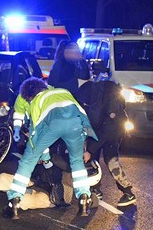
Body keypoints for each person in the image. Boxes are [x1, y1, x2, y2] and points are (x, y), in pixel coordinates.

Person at [6, 78, 97, 218]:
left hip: (52, 125)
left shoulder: (37, 101)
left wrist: (45, 158)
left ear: (29, 96)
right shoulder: (62, 91)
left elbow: (36, 134)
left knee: (28, 161)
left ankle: (14, 200)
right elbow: (79, 111)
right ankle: (84, 198)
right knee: (77, 162)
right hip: (75, 124)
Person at [0, 149, 103, 216]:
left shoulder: (77, 171)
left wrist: (47, 158)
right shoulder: (64, 149)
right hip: (37, 183)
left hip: (49, 197)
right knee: (3, 179)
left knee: (20, 202)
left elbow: (63, 167)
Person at [79, 79, 137, 207]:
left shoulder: (105, 102)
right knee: (93, 158)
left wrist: (90, 150)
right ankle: (95, 189)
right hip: (108, 128)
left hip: (112, 130)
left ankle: (128, 192)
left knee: (111, 159)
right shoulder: (100, 95)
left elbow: (107, 130)